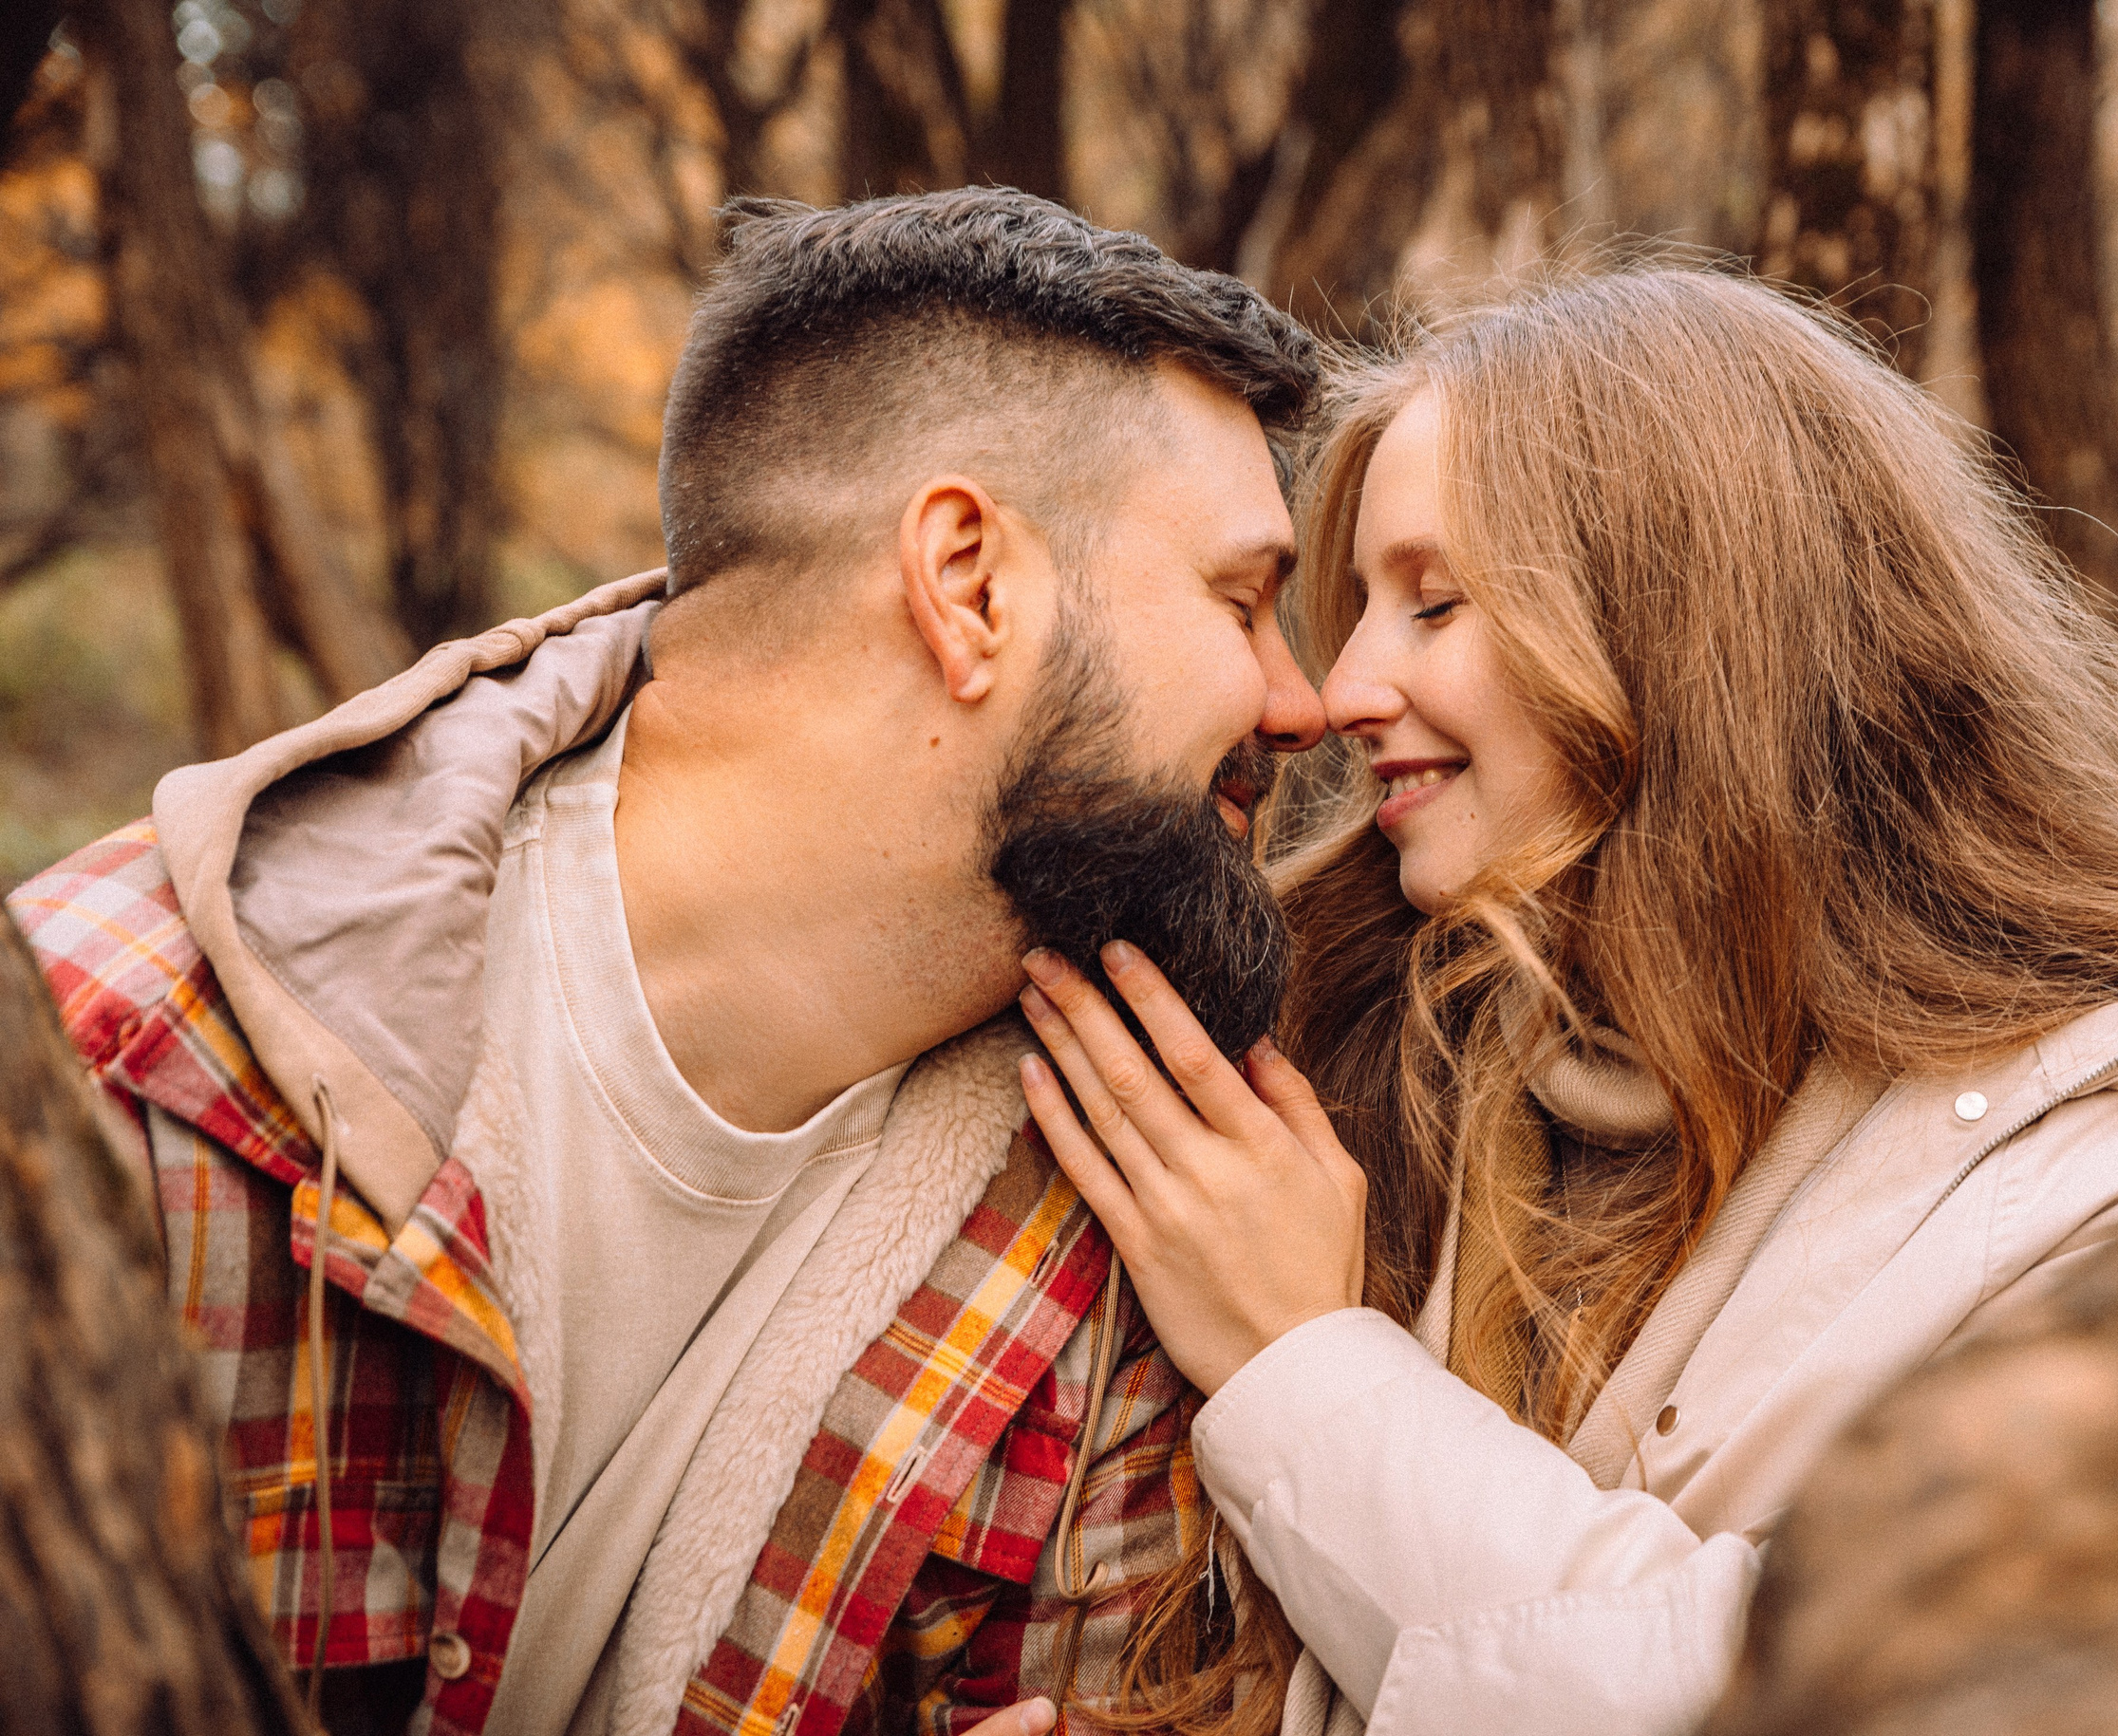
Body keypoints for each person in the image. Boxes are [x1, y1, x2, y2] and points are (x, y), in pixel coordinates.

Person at [1009, 267, 2118, 1736]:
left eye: (1433, 601)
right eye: (1356, 605)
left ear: (1679, 634)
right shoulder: (1420, 1060)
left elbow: (1814, 1688)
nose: (1345, 686)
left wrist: (1305, 1372)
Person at [6, 189, 1328, 1736]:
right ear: (969, 584)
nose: (1300, 703)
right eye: (1243, 599)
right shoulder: (120, 1084)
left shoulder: (1138, 1207)